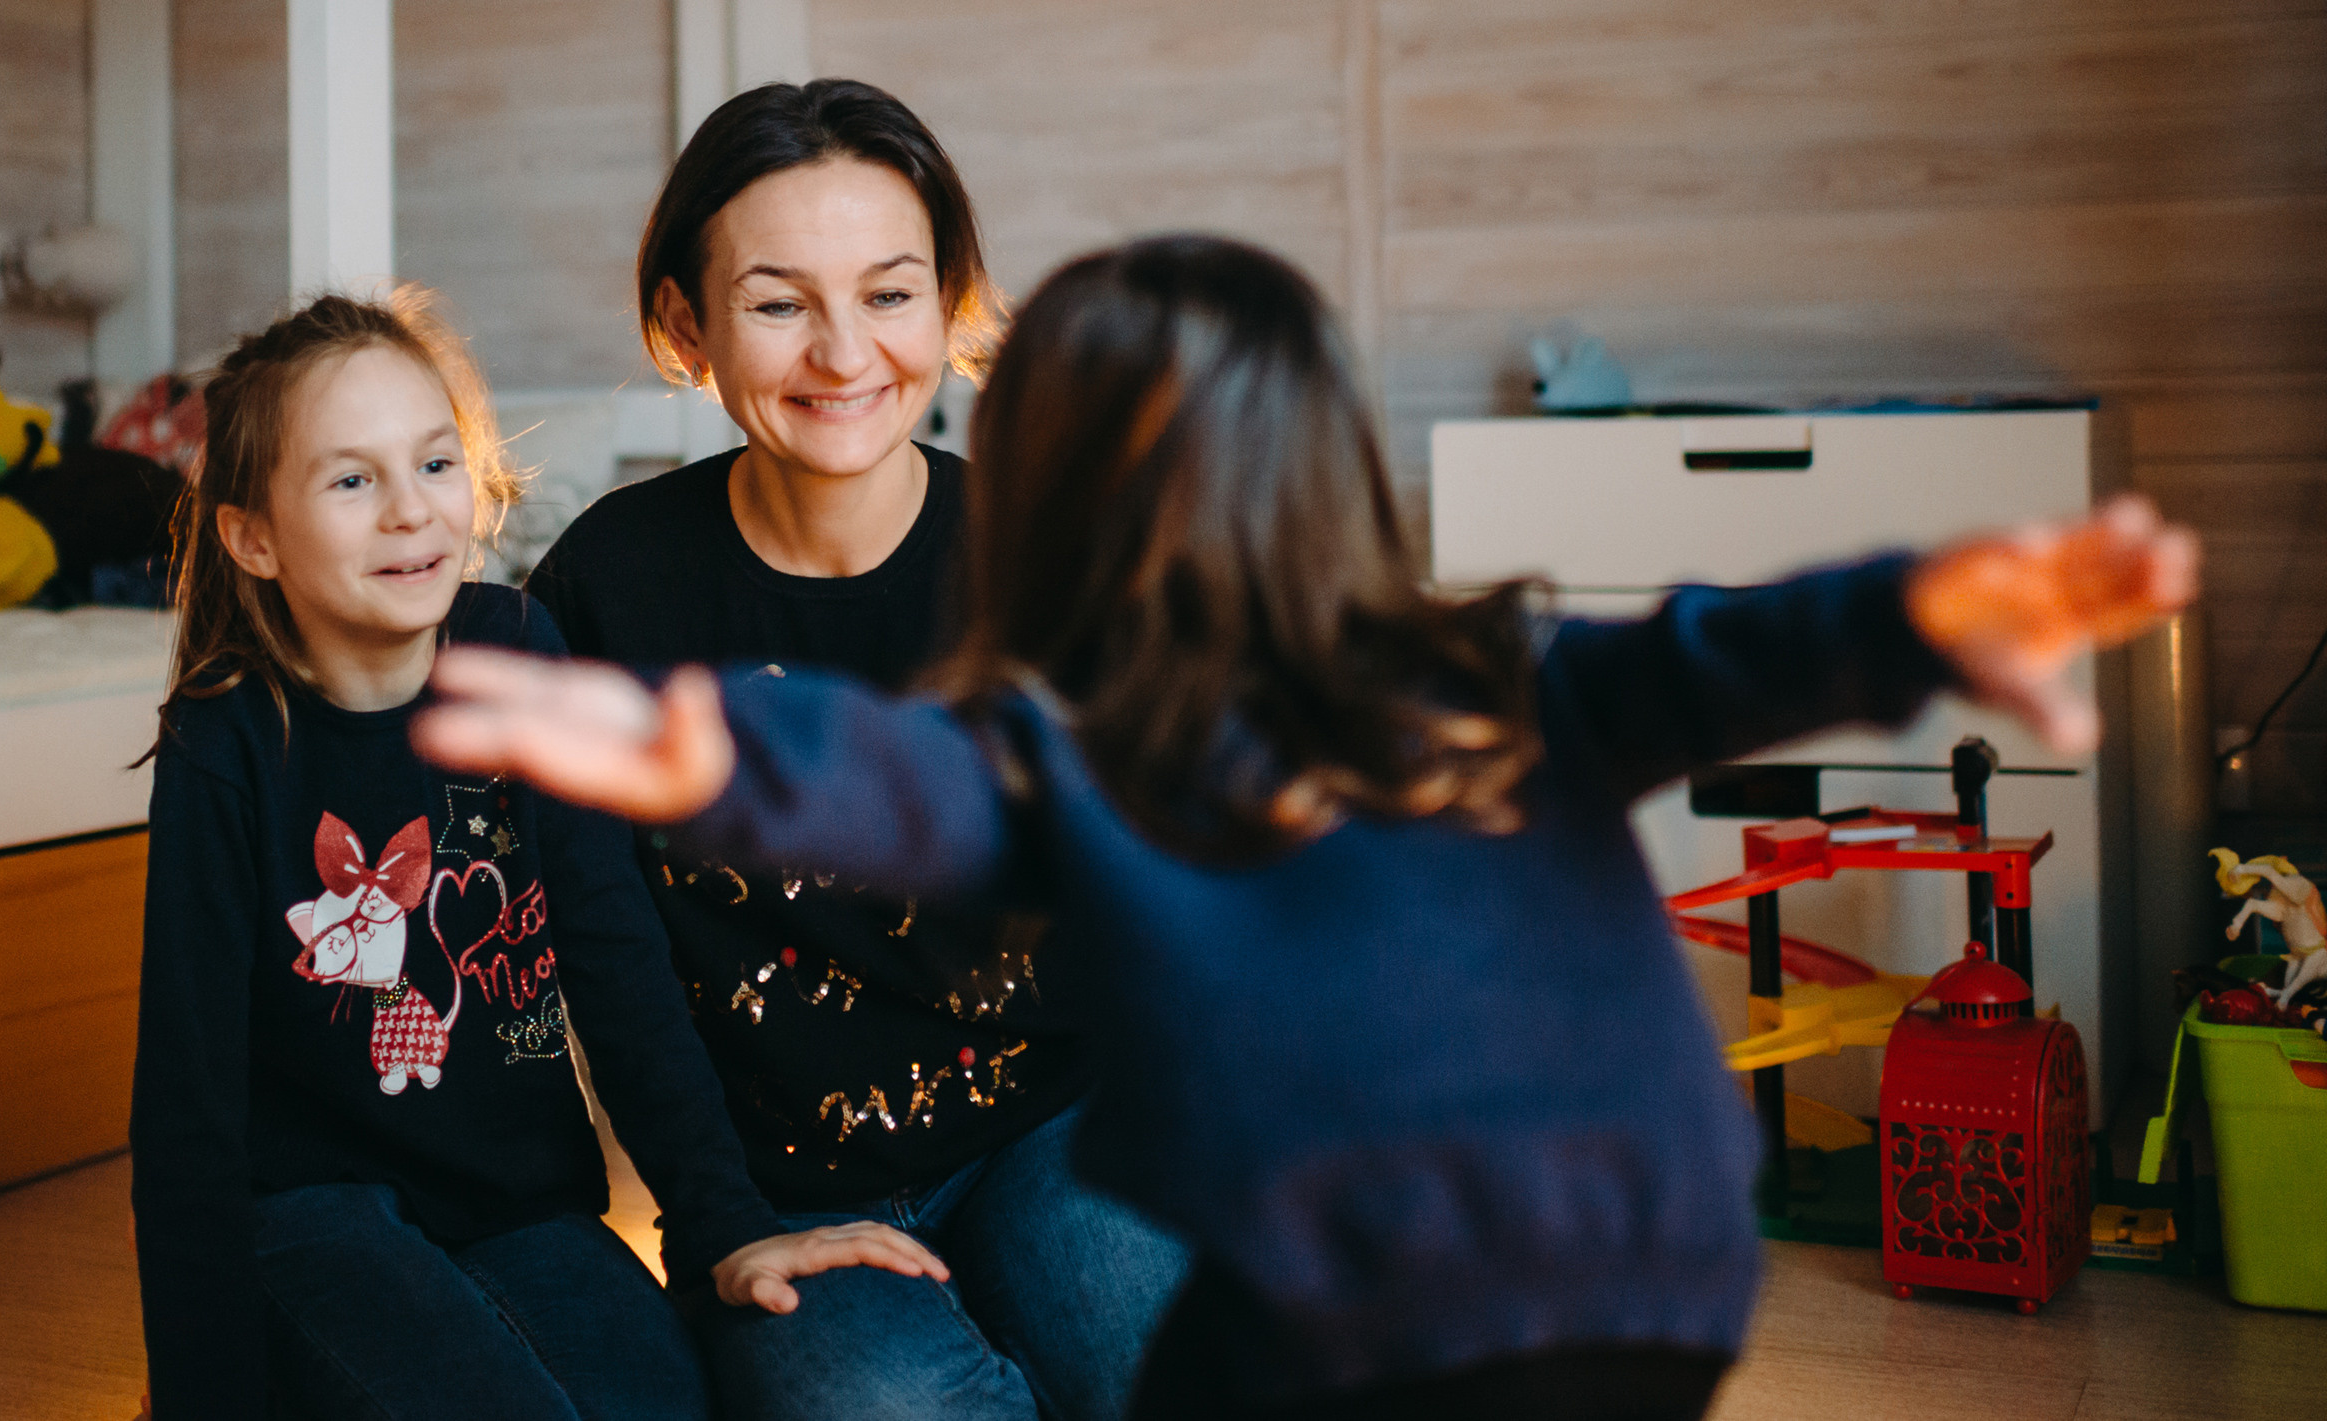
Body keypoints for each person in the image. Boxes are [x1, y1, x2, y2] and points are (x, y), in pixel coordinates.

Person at [418, 236, 2201, 1420]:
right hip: (1564, 1262)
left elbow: (1724, 650)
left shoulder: (1413, 691)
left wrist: (1922, 609)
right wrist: (706, 744)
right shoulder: (1220, 718)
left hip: (1526, 1258)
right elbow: (916, 776)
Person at [128, 290, 938, 1421]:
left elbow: (615, 957)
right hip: (312, 1211)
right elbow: (186, 1101)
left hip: (517, 1202)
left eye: (434, 462)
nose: (411, 511)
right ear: (252, 534)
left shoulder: (516, 647)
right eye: (351, 479)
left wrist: (725, 1224)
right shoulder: (226, 742)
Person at [523, 80, 1189, 1421]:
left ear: (950, 304)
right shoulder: (609, 589)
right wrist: (716, 1224)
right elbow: (612, 957)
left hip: (1059, 1129)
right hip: (787, 1194)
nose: (843, 353)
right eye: (777, 302)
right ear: (684, 326)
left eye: (890, 294)